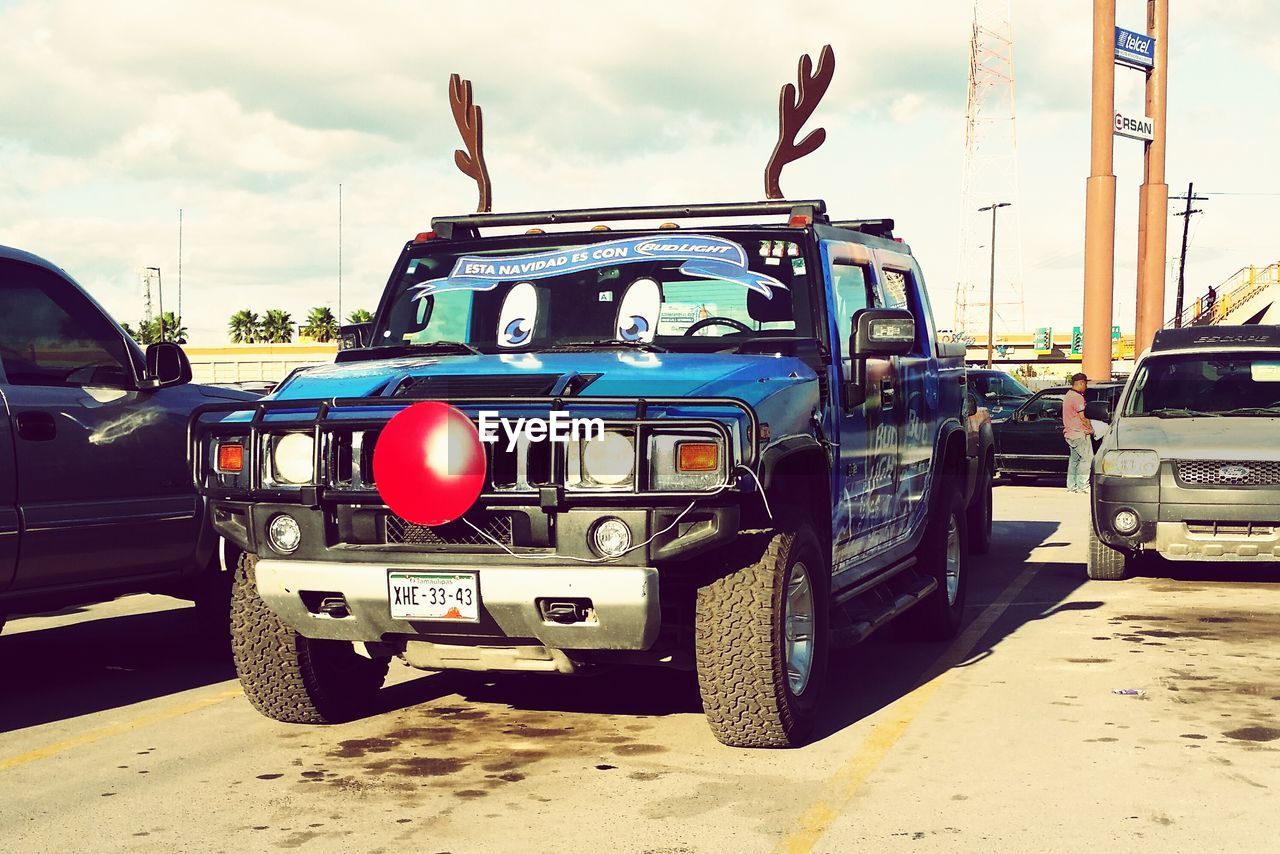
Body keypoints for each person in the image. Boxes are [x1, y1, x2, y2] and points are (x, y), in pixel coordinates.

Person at [1063, 372, 1093, 494]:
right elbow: (1082, 417)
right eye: (1085, 383)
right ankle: (1083, 486)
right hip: (1079, 433)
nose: (1086, 386)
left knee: (1074, 460)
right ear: (1080, 383)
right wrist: (1091, 428)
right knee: (1087, 459)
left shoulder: (1068, 395)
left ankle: (1071, 486)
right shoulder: (1078, 398)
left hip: (1070, 433)